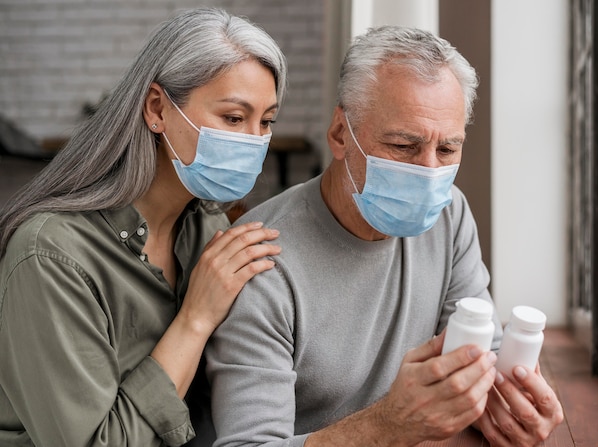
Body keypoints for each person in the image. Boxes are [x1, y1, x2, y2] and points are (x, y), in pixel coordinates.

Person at [205, 26, 564, 446]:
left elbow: (481, 352)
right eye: (404, 145)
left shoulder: (450, 214)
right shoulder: (259, 261)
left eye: (447, 150)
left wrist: (513, 405)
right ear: (341, 134)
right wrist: (387, 426)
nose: (430, 172)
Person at [0, 8, 287, 447]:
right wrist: (195, 318)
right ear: (157, 109)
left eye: (265, 121)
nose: (253, 140)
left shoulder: (207, 230)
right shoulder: (51, 255)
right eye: (233, 118)